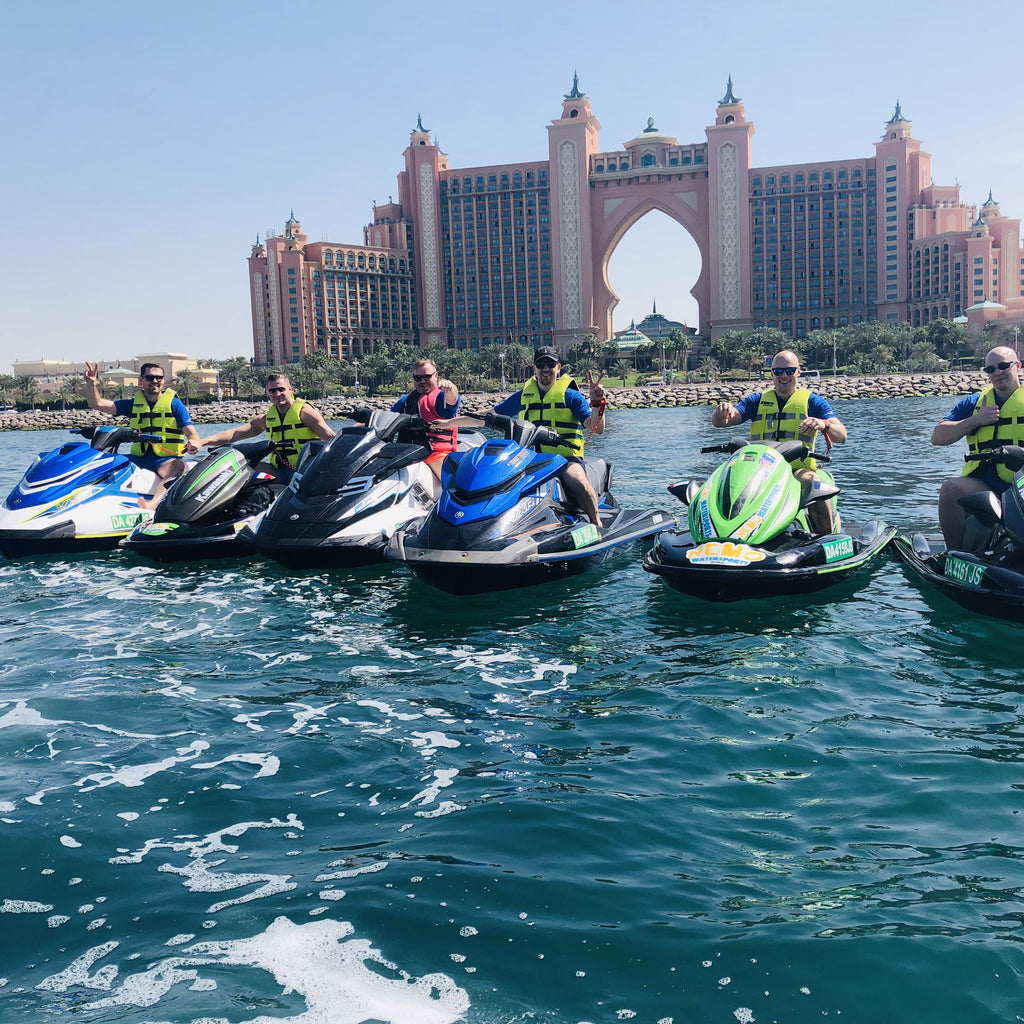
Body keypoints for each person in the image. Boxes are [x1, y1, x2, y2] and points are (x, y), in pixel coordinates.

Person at [711, 349, 848, 535]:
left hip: (796, 470)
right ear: (772, 374)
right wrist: (722, 414)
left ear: (798, 372)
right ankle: (719, 531)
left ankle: (827, 538)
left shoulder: (813, 402)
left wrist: (823, 424)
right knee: (726, 481)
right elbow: (724, 421)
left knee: (813, 481)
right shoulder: (757, 401)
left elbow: (842, 435)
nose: (784, 376)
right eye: (778, 371)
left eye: (789, 371)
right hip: (760, 469)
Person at [491, 346, 606, 527]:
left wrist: (597, 403)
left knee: (576, 480)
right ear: (534, 368)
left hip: (565, 459)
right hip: (530, 459)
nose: (546, 368)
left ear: (558, 367)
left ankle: (596, 523)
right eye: (541, 364)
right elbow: (490, 415)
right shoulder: (523, 396)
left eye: (550, 364)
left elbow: (596, 428)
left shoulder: (571, 396)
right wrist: (450, 422)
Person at [931, 345, 1024, 550]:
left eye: (1003, 366)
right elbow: (937, 437)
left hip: (1022, 485)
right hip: (989, 486)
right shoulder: (974, 403)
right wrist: (976, 420)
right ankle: (955, 555)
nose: (997, 373)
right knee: (951, 489)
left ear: (1017, 366)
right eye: (990, 369)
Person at [84, 361, 201, 509]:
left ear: (163, 380)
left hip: (165, 460)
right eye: (150, 377)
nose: (155, 381)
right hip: (139, 458)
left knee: (177, 467)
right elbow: (98, 404)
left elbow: (192, 433)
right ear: (141, 380)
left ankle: (151, 505)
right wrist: (90, 383)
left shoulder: (174, 404)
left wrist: (194, 441)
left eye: (159, 378)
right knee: (106, 461)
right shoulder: (133, 404)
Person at [199, 373, 335, 481]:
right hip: (279, 471)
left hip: (306, 473)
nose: (277, 394)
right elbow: (234, 434)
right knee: (239, 464)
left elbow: (332, 439)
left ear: (290, 389)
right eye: (272, 391)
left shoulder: (306, 413)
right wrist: (202, 442)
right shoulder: (266, 419)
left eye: (281, 389)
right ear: (268, 393)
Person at [390, 359, 461, 480]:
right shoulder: (407, 400)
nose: (422, 381)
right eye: (418, 378)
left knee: (452, 486)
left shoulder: (440, 397)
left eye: (427, 377)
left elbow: (453, 400)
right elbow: (385, 418)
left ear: (436, 376)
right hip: (405, 454)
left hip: (435, 455)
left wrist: (450, 387)